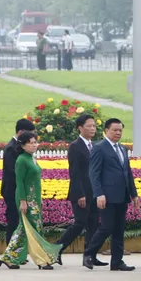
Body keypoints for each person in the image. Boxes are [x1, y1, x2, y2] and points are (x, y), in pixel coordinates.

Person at [83, 118, 139, 271]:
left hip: (122, 195)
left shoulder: (122, 148)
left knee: (119, 229)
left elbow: (127, 173)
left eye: (120, 130)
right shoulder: (99, 148)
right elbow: (94, 173)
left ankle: (117, 261)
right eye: (115, 130)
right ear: (106, 131)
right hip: (106, 196)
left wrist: (134, 194)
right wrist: (99, 193)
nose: (118, 133)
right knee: (107, 227)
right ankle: (89, 253)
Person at [0, 132, 62, 269]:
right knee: (35, 227)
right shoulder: (21, 160)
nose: (35, 145)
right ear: (22, 145)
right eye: (31, 143)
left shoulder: (31, 158)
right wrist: (23, 201)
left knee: (24, 228)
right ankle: (42, 259)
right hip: (26, 199)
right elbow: (19, 182)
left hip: (34, 198)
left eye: (36, 142)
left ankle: (9, 257)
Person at [57, 114, 107, 267]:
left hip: (94, 193)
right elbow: (75, 172)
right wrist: (80, 194)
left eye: (94, 126)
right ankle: (57, 248)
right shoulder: (75, 146)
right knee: (80, 223)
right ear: (80, 127)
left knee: (93, 224)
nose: (92, 129)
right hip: (81, 193)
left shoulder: (96, 146)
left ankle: (89, 255)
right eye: (89, 126)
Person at [1, 119, 36, 244]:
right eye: (29, 135)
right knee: (14, 221)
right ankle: (10, 255)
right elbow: (14, 172)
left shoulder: (19, 148)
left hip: (19, 190)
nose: (32, 139)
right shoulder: (11, 148)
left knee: (19, 221)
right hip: (12, 190)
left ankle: (17, 251)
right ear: (21, 132)